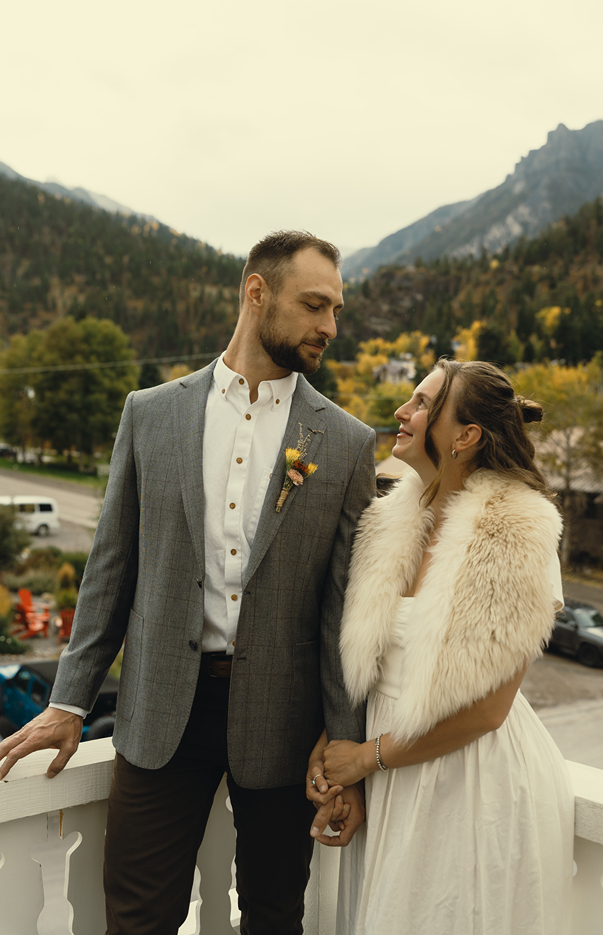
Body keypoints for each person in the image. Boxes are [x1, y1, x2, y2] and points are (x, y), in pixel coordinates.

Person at [0, 230, 376, 935]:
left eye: (336, 310)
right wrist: (69, 700)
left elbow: (340, 612)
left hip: (282, 723)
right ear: (255, 292)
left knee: (272, 916)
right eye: (315, 304)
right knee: (137, 918)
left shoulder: (348, 442)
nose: (330, 326)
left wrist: (343, 748)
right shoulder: (151, 413)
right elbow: (111, 567)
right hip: (157, 714)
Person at [309, 359, 575, 935]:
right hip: (386, 772)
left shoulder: (518, 533)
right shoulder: (387, 522)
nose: (402, 413)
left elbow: (487, 709)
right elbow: (375, 666)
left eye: (423, 403)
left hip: (467, 781)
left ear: (466, 435)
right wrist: (336, 744)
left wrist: (367, 757)